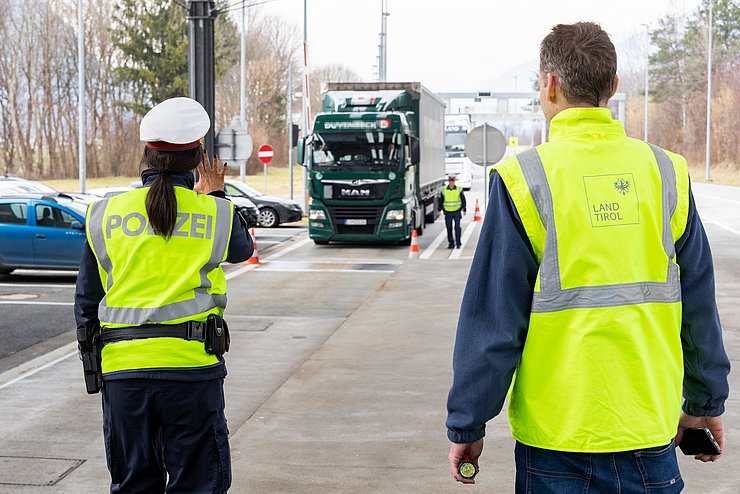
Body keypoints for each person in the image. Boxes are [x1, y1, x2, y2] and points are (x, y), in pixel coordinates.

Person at [446, 22, 730, 493]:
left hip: (556, 438)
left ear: (550, 85)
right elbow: (699, 304)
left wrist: (468, 424)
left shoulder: (523, 178)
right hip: (648, 430)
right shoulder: (666, 173)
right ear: (613, 87)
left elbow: (494, 319)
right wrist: (706, 401)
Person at [74, 97, 253, 493]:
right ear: (198, 158)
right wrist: (216, 194)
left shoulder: (104, 213)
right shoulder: (214, 212)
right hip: (191, 371)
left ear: (146, 156)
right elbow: (242, 250)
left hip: (124, 376)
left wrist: (95, 367)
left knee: (134, 484)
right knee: (198, 484)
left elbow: (87, 302)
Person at [440, 175, 467, 249]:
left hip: (457, 211)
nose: (451, 183)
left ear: (454, 182)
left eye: (453, 181)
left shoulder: (459, 189)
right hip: (448, 212)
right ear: (449, 182)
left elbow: (463, 200)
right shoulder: (444, 190)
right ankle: (451, 243)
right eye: (450, 181)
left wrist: (464, 209)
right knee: (449, 228)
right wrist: (439, 209)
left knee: (457, 227)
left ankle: (458, 243)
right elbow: (441, 200)